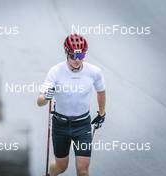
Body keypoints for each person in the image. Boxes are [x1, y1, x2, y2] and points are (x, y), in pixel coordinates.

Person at [37, 33, 106, 176]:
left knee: (83, 170)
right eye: (73, 56)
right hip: (60, 125)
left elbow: (101, 91)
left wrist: (102, 112)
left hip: (82, 126)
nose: (77, 60)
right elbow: (40, 101)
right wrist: (46, 97)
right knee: (61, 167)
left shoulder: (94, 72)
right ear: (67, 53)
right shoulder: (55, 71)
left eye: (80, 56)